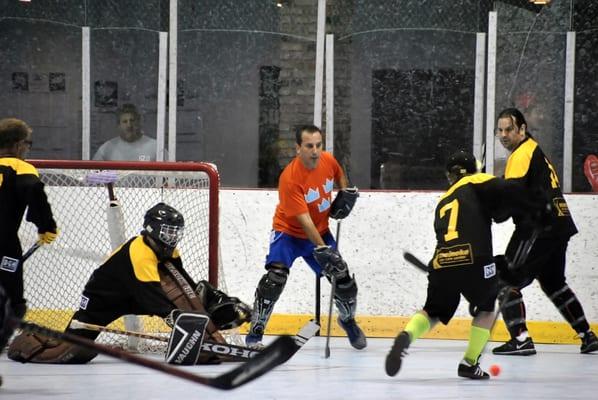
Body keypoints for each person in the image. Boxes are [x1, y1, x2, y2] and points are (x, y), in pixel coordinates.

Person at [7, 202, 252, 364]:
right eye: (167, 232)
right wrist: (175, 316)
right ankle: (26, 345)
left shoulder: (170, 252)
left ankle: (210, 346)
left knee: (192, 297)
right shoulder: (139, 251)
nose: (172, 237)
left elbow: (183, 284)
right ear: (152, 229)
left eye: (176, 232)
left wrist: (209, 304)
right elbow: (149, 295)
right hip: (103, 301)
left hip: (135, 296)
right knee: (73, 352)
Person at [385, 150, 550, 380]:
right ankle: (470, 363)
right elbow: (507, 191)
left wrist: (440, 267)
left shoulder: (444, 200)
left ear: (450, 176)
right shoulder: (476, 180)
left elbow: (447, 237)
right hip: (476, 258)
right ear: (474, 169)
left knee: (432, 312)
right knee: (486, 309)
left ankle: (407, 335)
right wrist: (535, 202)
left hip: (442, 261)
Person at [245, 125, 364, 350]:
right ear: (298, 148)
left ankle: (347, 320)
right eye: (309, 146)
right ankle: (255, 333)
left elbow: (339, 175)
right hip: (289, 233)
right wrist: (323, 250)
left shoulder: (329, 161)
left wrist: (344, 196)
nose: (315, 151)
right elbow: (304, 221)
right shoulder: (289, 179)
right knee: (275, 278)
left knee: (343, 280)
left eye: (319, 145)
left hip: (320, 230)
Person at [492, 108, 598, 355]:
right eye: (500, 130)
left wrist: (494, 212)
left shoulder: (520, 155)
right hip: (558, 224)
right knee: (553, 283)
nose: (504, 135)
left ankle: (521, 340)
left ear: (522, 130)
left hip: (537, 227)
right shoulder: (534, 151)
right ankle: (587, 335)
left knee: (506, 281)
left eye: (509, 129)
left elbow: (513, 197)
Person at [0, 118, 58, 384]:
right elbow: (35, 196)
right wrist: (46, 227)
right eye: (27, 143)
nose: (27, 149)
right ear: (16, 144)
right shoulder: (22, 169)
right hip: (3, 245)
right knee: (14, 305)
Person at [93, 104, 161, 161]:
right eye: (125, 122)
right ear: (118, 126)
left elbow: (170, 174)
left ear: (138, 122)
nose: (129, 125)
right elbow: (92, 174)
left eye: (132, 120)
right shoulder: (107, 149)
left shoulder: (155, 147)